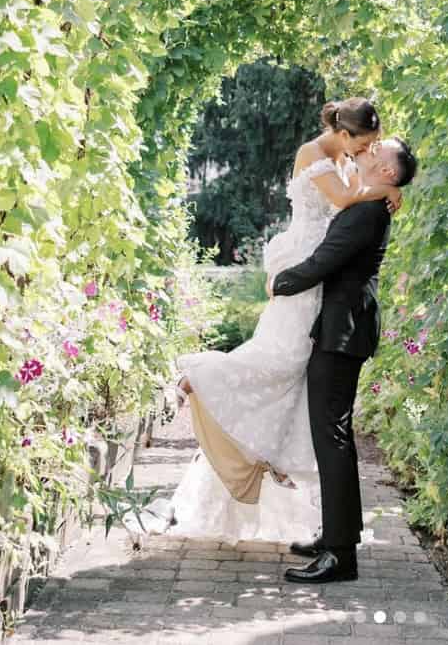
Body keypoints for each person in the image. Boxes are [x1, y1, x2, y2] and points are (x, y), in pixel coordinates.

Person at [158, 98, 402, 545]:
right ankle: (203, 374)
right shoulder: (317, 156)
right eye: (363, 143)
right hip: (305, 274)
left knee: (294, 383)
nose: (366, 151)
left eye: (374, 147)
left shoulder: (349, 168)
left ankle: (285, 478)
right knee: (280, 359)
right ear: (344, 135)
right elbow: (345, 202)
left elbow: (347, 215)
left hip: (319, 285)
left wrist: (380, 187)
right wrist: (385, 189)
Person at [270, 135, 418, 583]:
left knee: (331, 438)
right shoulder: (370, 201)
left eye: (378, 151)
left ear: (389, 172)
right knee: (334, 438)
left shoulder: (368, 212)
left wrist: (281, 282)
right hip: (342, 330)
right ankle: (336, 537)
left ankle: (340, 555)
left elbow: (324, 262)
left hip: (343, 332)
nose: (368, 152)